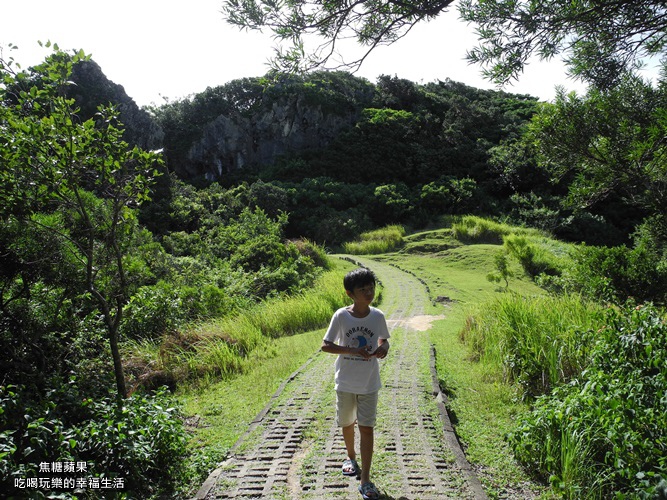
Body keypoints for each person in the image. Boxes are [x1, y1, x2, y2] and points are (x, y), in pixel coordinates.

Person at [321, 267, 390, 500]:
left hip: (370, 383)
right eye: (363, 289)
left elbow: (384, 340)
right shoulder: (341, 316)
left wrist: (383, 348)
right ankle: (350, 457)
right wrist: (352, 350)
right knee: (347, 423)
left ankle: (366, 479)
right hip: (345, 382)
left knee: (367, 428)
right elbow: (326, 345)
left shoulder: (378, 316)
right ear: (350, 293)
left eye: (371, 287)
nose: (369, 292)